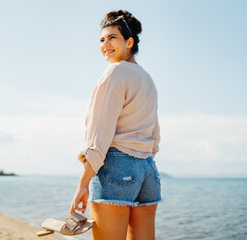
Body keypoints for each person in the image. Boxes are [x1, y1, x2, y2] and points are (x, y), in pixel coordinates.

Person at [70, 10, 161, 240]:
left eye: (112, 38)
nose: (105, 44)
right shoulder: (147, 79)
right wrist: (142, 163)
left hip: (116, 168)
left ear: (129, 42)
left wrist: (82, 184)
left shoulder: (115, 72)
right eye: (102, 39)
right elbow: (155, 134)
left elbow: (100, 131)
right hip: (148, 171)